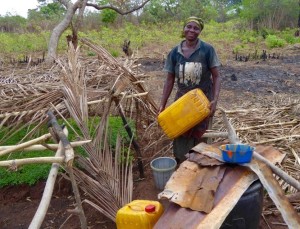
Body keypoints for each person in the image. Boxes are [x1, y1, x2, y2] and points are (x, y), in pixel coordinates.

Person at [159, 16, 221, 164]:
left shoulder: (207, 50)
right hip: (182, 99)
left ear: (200, 31)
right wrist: (162, 104)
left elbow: (217, 77)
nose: (191, 30)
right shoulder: (175, 52)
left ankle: (200, 166)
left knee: (201, 134)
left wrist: (214, 100)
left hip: (203, 100)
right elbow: (169, 80)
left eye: (196, 28)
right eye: (189, 26)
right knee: (180, 131)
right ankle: (182, 164)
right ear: (184, 28)